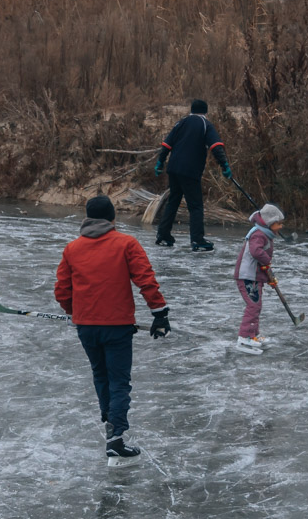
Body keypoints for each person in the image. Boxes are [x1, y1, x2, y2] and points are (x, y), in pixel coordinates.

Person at [55, 195, 171, 467]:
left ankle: (110, 423)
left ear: (87, 218)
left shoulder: (72, 248)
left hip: (86, 327)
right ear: (112, 218)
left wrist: (75, 311)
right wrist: (159, 314)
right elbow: (145, 279)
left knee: (101, 375)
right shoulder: (126, 243)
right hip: (117, 327)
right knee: (119, 381)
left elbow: (62, 290)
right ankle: (116, 440)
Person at [154, 99, 231, 251]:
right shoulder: (205, 124)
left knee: (173, 202)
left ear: (191, 110)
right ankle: (197, 240)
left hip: (174, 169)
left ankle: (163, 235)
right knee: (195, 207)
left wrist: (160, 163)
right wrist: (225, 166)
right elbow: (216, 147)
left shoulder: (181, 123)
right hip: (190, 171)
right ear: (206, 112)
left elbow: (166, 145)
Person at [232, 204, 285, 355]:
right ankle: (245, 336)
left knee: (256, 305)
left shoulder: (265, 234)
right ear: (270, 222)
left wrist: (270, 277)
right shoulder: (258, 234)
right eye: (279, 223)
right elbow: (257, 253)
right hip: (247, 277)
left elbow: (263, 263)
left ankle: (253, 334)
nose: (281, 226)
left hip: (255, 277)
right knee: (253, 306)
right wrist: (267, 261)